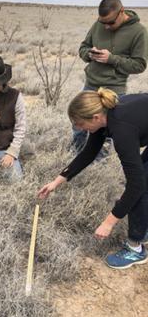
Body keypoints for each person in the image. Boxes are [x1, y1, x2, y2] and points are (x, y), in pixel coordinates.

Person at [38, 88, 148, 269]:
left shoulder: (121, 130)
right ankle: (142, 227)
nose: (79, 129)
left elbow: (136, 185)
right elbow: (88, 153)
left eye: (80, 124)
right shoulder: (105, 117)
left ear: (95, 117)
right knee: (142, 180)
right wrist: (57, 181)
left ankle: (135, 248)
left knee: (140, 185)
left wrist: (108, 223)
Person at [72, 0, 148, 153]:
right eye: (102, 22)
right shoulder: (98, 25)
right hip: (90, 84)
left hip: (113, 89)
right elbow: (83, 48)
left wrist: (111, 59)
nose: (106, 26)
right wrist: (90, 55)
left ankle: (99, 164)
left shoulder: (139, 32)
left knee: (106, 131)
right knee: (79, 123)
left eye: (110, 23)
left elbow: (139, 65)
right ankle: (75, 153)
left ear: (121, 12)